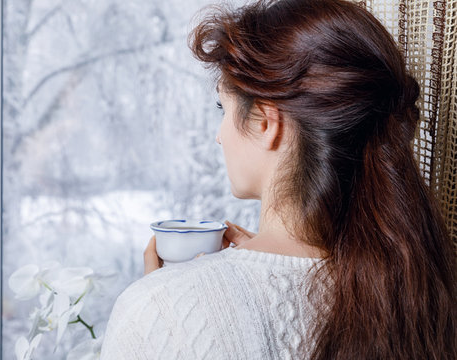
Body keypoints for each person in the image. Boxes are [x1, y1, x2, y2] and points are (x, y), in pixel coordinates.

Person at [100, 0, 457, 358]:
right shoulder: (421, 293)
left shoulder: (156, 309)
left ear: (267, 123)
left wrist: (162, 311)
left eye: (223, 109)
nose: (219, 136)